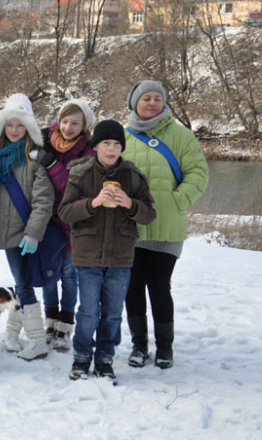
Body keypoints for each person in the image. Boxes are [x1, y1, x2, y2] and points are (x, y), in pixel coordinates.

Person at [58, 120, 156, 382]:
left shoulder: (133, 176)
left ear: (121, 147)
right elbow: (65, 212)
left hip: (120, 258)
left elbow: (149, 214)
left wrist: (131, 204)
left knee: (112, 313)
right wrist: (93, 202)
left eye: (116, 144)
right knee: (88, 312)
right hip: (87, 256)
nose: (111, 149)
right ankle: (81, 358)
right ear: (96, 146)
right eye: (105, 143)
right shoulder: (80, 174)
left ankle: (104, 358)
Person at [122, 80, 209, 369]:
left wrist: (177, 201)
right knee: (132, 286)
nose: (152, 103)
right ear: (134, 102)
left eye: (157, 98)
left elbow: (198, 172)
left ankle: (165, 348)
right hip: (130, 228)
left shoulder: (181, 135)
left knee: (159, 285)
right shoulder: (122, 137)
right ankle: (138, 346)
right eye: (146, 98)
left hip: (166, 226)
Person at [0, 93, 54, 361]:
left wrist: (33, 233)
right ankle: (13, 335)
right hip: (5, 230)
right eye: (9, 125)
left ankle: (38, 341)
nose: (14, 130)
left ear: (29, 128)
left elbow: (43, 199)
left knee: (24, 285)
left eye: (20, 125)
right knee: (20, 282)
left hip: (26, 232)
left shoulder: (36, 158)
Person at [35, 99, 97, 352]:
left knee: (70, 276)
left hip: (74, 222)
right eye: (65, 121)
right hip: (48, 221)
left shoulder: (90, 151)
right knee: (48, 273)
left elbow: (71, 185)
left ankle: (65, 326)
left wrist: (50, 164)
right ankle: (49, 322)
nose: (68, 127)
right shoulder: (43, 141)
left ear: (84, 127)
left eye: (75, 123)